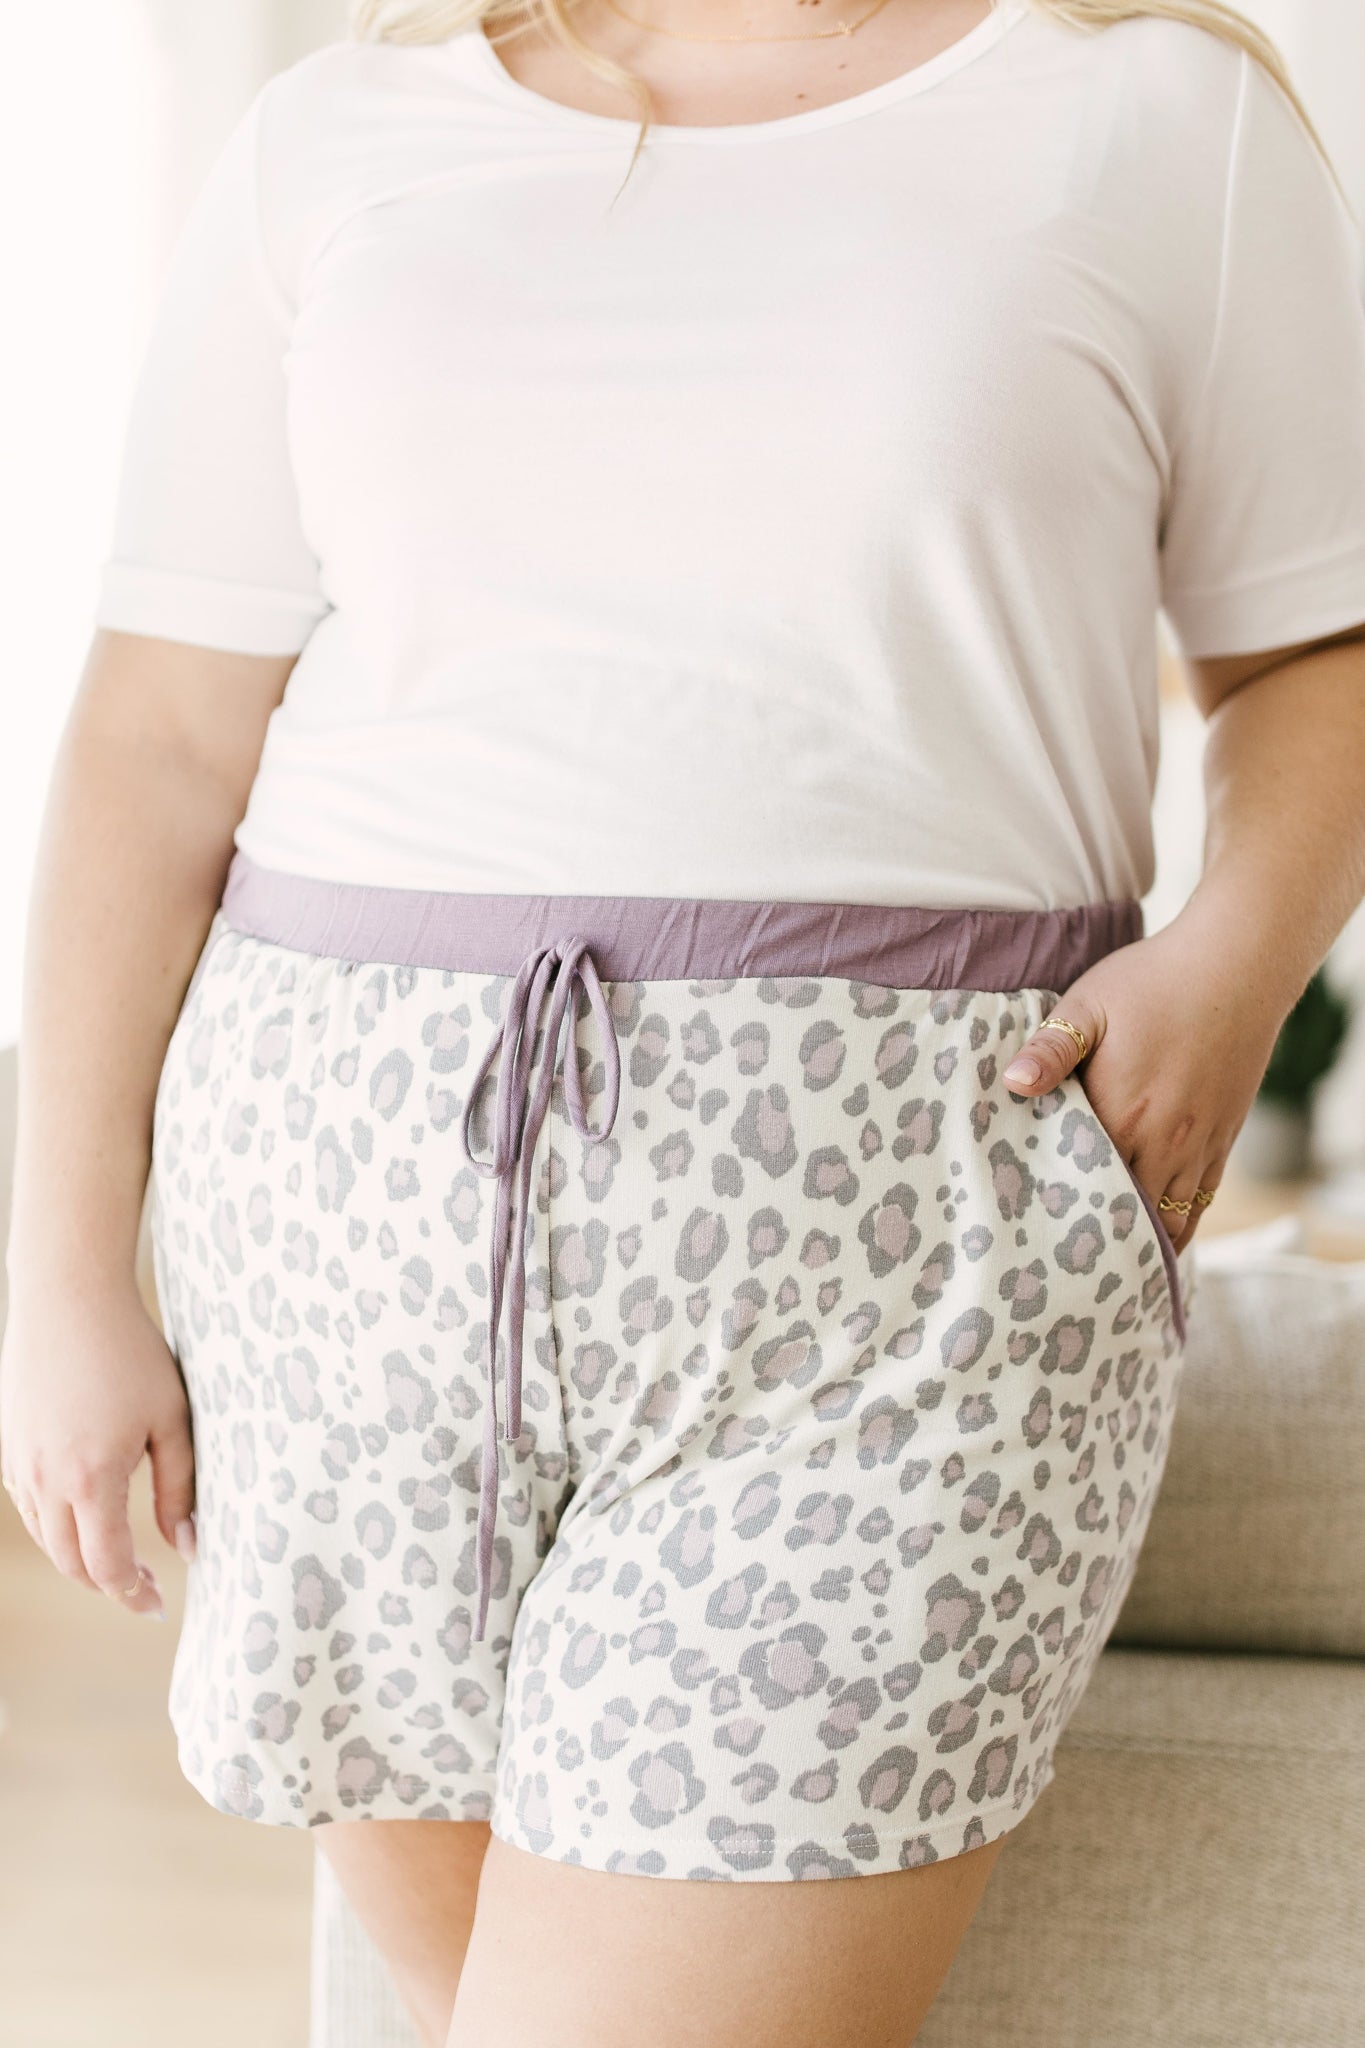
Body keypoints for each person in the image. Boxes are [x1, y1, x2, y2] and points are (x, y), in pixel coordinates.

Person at [5, 0, 1365, 2041]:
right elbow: (158, 733)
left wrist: (1229, 965)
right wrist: (59, 1277)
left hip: (903, 1257)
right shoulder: (342, 131)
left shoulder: (1153, 118)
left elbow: (1320, 653)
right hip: (338, 1244)